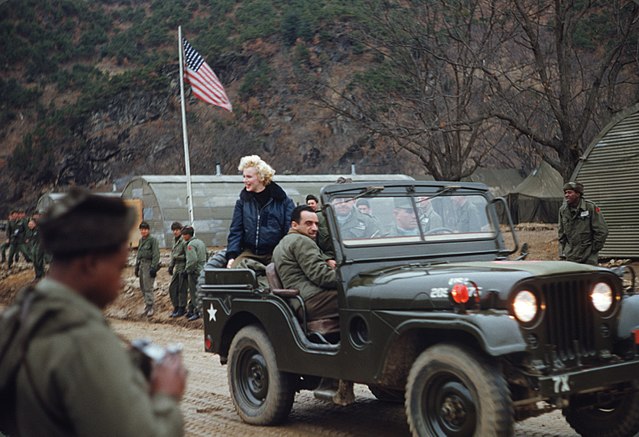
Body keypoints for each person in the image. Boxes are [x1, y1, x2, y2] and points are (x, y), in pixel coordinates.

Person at [0, 187, 186, 436]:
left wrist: (122, 364)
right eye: (118, 268)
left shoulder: (21, 315)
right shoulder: (83, 339)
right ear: (90, 263)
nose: (120, 283)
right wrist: (166, 395)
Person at [226, 155, 294, 269]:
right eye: (243, 176)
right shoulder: (242, 203)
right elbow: (236, 231)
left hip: (275, 253)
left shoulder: (284, 202)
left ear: (261, 177)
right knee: (234, 272)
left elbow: (290, 232)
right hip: (251, 252)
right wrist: (231, 256)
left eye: (249, 177)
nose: (245, 180)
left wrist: (285, 254)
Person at [272, 205, 339, 322]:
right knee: (359, 298)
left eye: (316, 224)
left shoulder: (282, 244)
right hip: (312, 300)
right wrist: (349, 278)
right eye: (308, 223)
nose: (315, 228)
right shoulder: (302, 241)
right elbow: (322, 276)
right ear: (294, 225)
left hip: (299, 302)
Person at [558, 181, 608, 265]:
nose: (566, 195)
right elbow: (561, 234)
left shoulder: (590, 207)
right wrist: (563, 251)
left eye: (569, 192)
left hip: (588, 257)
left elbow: (602, 231)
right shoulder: (563, 210)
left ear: (578, 194)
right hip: (571, 256)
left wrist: (593, 249)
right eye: (565, 193)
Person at [181, 226, 207, 321]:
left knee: (194, 292)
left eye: (184, 235)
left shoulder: (190, 245)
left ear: (188, 235)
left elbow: (192, 260)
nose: (183, 237)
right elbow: (206, 255)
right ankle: (193, 309)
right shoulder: (201, 242)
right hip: (202, 270)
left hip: (195, 272)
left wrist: (187, 270)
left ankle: (197, 311)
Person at [135, 221, 160, 317]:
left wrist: (154, 267)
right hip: (142, 265)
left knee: (148, 287)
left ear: (148, 230)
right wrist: (136, 267)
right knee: (142, 286)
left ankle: (150, 306)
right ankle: (147, 305)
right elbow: (139, 254)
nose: (143, 231)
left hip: (149, 265)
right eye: (142, 229)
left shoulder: (152, 240)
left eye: (145, 229)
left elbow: (156, 254)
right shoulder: (141, 240)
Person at [168, 222, 188, 318]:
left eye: (177, 230)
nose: (175, 232)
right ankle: (176, 306)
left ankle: (182, 308)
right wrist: (171, 266)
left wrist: (187, 269)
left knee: (182, 289)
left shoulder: (184, 240)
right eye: (174, 230)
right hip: (177, 267)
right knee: (172, 288)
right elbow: (173, 254)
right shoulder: (174, 241)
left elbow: (188, 255)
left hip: (183, 266)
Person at [24, 213, 45, 279]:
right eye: (29, 224)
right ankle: (37, 275)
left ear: (35, 224)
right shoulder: (31, 230)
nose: (29, 225)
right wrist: (28, 239)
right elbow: (30, 237)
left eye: (31, 224)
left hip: (40, 245)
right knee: (34, 260)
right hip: (35, 245)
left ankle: (41, 273)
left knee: (39, 260)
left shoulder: (39, 229)